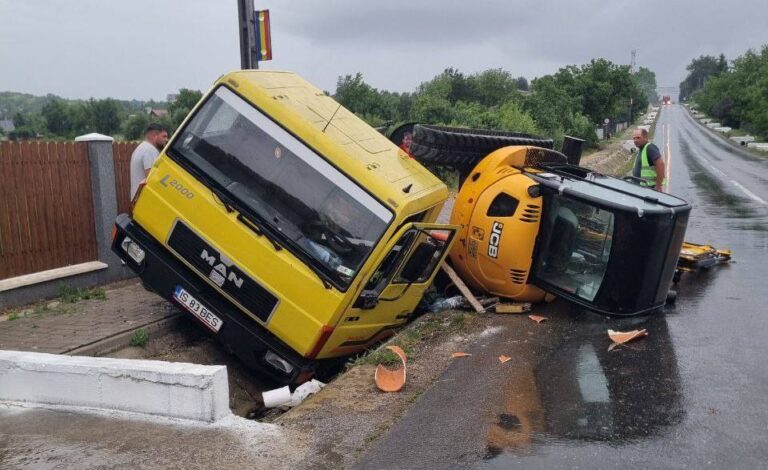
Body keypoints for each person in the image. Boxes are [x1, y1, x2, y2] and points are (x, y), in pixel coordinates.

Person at [130, 123, 169, 198]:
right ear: (154, 136)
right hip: (145, 198)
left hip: (139, 199)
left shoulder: (141, 148)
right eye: (164, 136)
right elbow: (151, 178)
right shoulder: (150, 150)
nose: (166, 140)